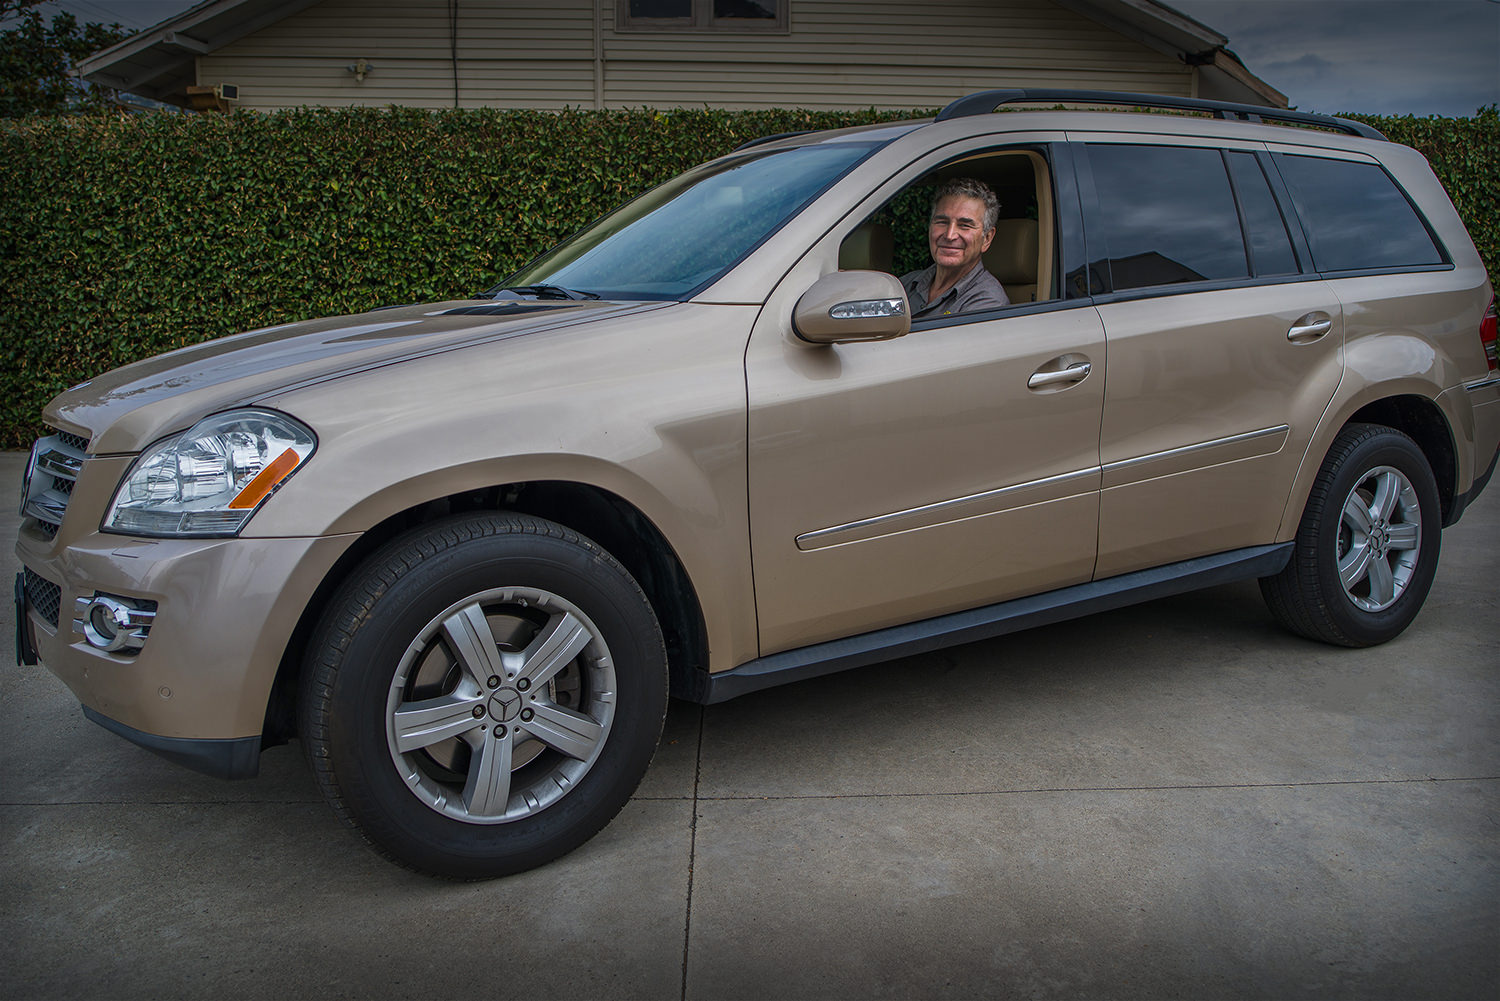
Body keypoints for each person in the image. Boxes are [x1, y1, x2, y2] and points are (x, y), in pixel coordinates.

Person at [900, 177, 1010, 318]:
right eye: (942, 222)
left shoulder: (988, 302)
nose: (949, 235)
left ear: (987, 238)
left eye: (965, 225)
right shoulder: (906, 284)